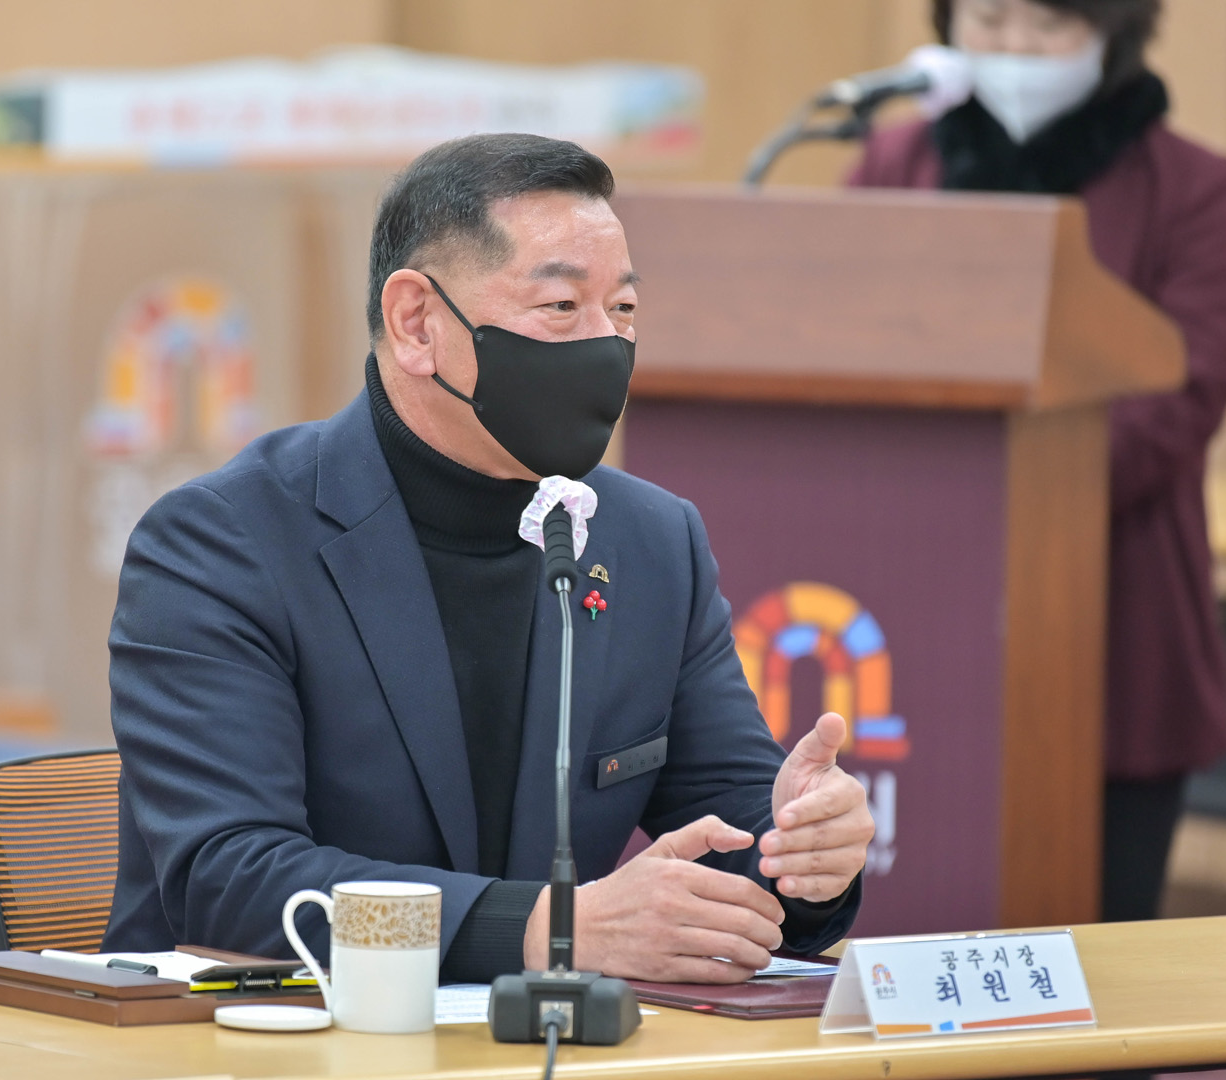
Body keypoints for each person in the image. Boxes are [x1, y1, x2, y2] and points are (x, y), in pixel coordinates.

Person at [102, 133, 872, 983]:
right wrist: (546, 931)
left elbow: (732, 827)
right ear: (416, 322)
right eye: (560, 306)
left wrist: (804, 853)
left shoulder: (650, 541)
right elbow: (230, 882)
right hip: (256, 1031)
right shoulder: (223, 542)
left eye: (622, 309)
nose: (604, 343)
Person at [849, 0, 1226, 922]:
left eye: (1045, 27)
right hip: (911, 604)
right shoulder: (892, 164)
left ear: (1110, 34)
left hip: (1110, 598)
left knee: (1098, 940)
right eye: (988, 22)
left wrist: (1003, 494)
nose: (1014, 50)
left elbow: (1188, 386)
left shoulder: (1184, 185)